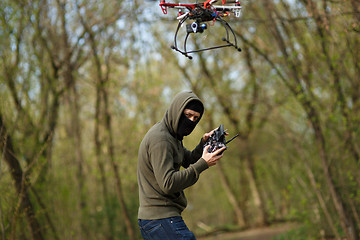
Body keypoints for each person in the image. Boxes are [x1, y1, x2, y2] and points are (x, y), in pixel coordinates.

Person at [137, 91, 226, 239]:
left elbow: (189, 160)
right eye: (188, 115)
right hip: (159, 218)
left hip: (160, 219)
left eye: (195, 118)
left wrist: (204, 144)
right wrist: (203, 164)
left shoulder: (173, 137)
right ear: (177, 111)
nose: (191, 121)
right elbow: (168, 183)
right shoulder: (161, 139)